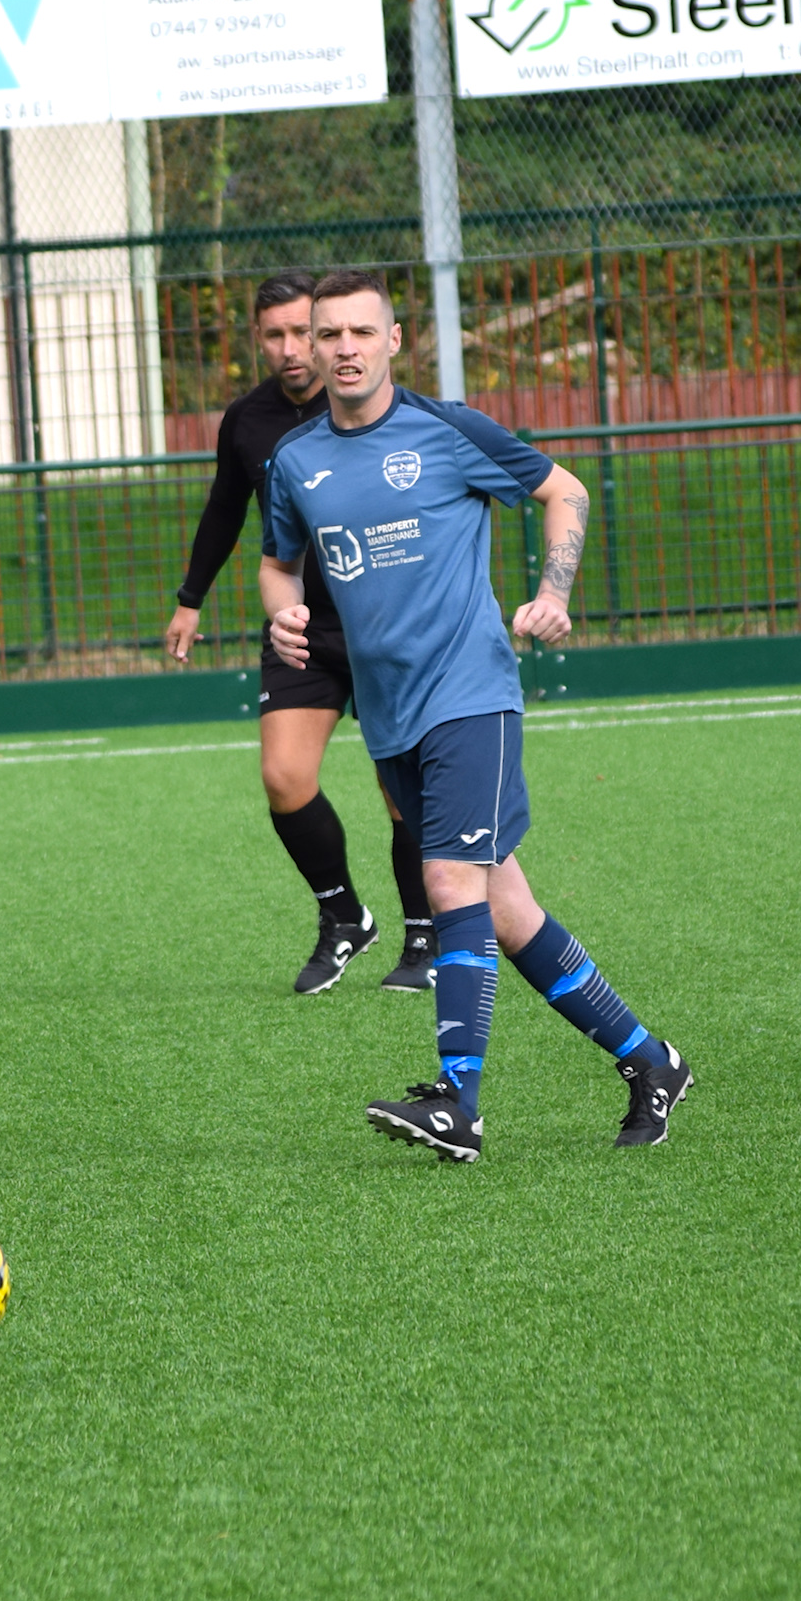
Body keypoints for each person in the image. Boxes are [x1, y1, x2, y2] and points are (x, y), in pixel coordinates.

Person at [260, 270, 694, 1162]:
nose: (341, 348)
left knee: (450, 886)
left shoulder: (447, 430)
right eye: (325, 334)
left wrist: (553, 591)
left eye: (358, 332)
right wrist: (283, 612)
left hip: (472, 694)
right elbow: (278, 561)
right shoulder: (296, 460)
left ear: (393, 340)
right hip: (390, 719)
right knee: (505, 907)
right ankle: (651, 1061)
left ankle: (459, 1103)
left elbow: (563, 489)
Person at [163, 272, 435, 996]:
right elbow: (226, 510)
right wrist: (191, 598)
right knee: (284, 778)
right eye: (276, 335)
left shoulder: (370, 412)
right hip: (300, 628)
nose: (292, 349)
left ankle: (425, 936)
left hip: (383, 626)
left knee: (400, 790)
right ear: (261, 339)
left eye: (301, 332)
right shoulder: (247, 422)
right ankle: (344, 916)